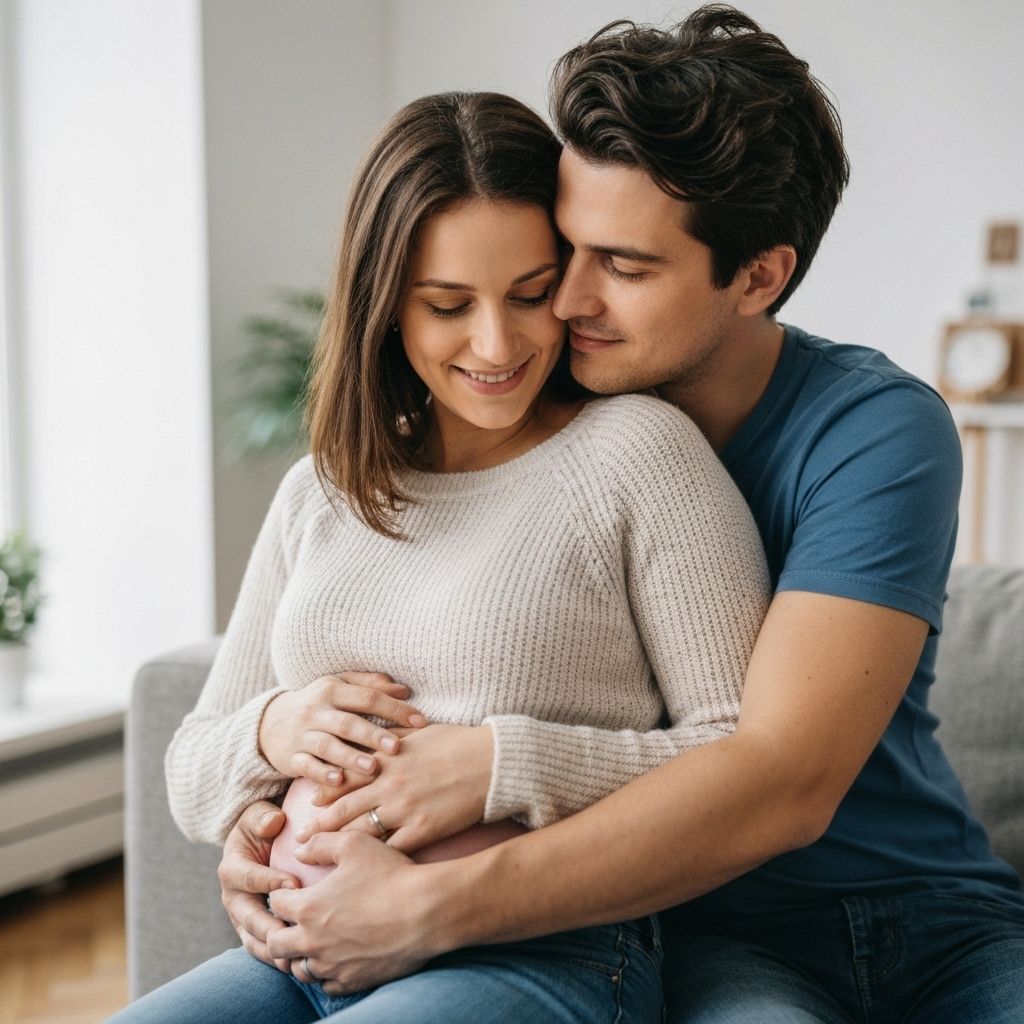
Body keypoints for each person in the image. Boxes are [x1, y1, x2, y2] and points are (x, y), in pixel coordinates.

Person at [217, 7, 1024, 1023]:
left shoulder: (871, 430)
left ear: (758, 275)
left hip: (920, 913)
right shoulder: (521, 396)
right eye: (569, 251)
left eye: (626, 268)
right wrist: (267, 832)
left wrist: (429, 902)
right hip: (685, 931)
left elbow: (777, 776)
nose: (560, 304)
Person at [109, 90, 771, 1023]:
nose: (497, 344)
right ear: (386, 307)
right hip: (300, 961)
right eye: (448, 305)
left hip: (542, 954)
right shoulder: (324, 488)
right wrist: (272, 730)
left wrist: (503, 762)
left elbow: (738, 761)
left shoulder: (637, 454)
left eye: (532, 295)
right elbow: (189, 770)